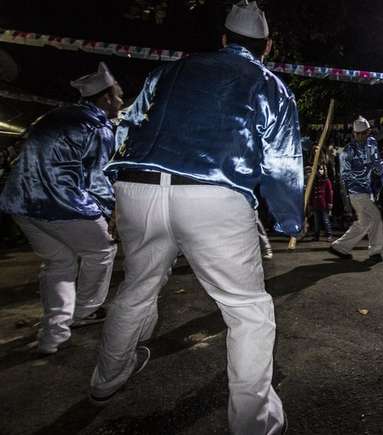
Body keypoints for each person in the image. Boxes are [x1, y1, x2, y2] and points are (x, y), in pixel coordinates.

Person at [89, 3, 301, 434]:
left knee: (137, 287)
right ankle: (254, 423)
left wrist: (110, 188)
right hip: (212, 195)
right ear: (267, 47)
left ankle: (106, 378)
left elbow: (126, 126)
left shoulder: (169, 71)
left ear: (223, 39)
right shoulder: (269, 84)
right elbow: (282, 160)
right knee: (247, 311)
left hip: (138, 188)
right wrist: (288, 219)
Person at [0, 63, 122, 355]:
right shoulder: (97, 126)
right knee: (102, 250)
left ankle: (52, 335)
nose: (120, 102)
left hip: (20, 203)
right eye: (118, 96)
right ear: (105, 98)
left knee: (59, 261)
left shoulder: (52, 116)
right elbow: (98, 178)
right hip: (61, 203)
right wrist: (109, 213)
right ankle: (85, 311)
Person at [329, 116, 383, 263]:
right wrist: (346, 199)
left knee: (364, 223)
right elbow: (344, 176)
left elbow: (378, 163)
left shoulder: (372, 143)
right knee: (375, 218)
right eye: (358, 134)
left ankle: (339, 247)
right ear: (354, 134)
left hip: (368, 190)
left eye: (364, 133)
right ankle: (375, 252)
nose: (361, 136)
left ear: (368, 132)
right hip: (356, 192)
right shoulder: (347, 151)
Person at [310, 164, 334, 241]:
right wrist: (311, 204)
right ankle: (316, 236)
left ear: (324, 171)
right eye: (318, 170)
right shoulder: (314, 182)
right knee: (316, 222)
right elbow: (312, 194)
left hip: (324, 205)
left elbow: (329, 193)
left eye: (321, 169)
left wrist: (330, 203)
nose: (319, 171)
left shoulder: (327, 181)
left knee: (326, 220)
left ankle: (329, 235)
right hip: (316, 205)